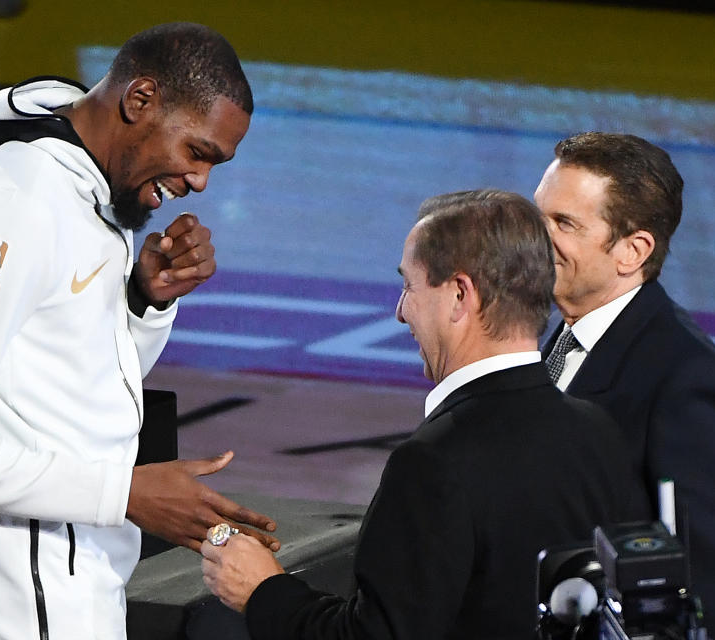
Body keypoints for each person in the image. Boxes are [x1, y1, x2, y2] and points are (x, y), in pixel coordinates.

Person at [0, 23, 278, 640]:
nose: (200, 183)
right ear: (139, 100)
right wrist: (122, 495)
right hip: (14, 600)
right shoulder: (15, 204)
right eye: (199, 153)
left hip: (70, 585)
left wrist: (142, 303)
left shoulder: (92, 188)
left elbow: (67, 388)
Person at [199, 190, 648, 639]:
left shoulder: (434, 463)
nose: (400, 311)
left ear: (458, 295)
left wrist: (262, 590)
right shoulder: (598, 431)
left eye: (409, 286)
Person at [534, 132, 715, 638]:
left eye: (563, 223)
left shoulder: (686, 381)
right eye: (538, 216)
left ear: (632, 251)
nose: (536, 238)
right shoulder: (561, 339)